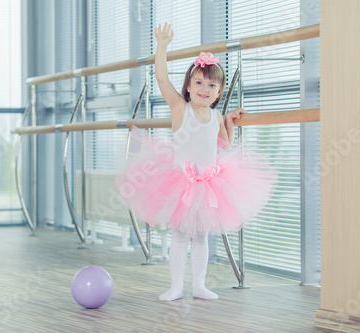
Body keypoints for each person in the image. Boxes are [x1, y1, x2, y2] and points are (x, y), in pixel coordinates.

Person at [116, 23, 276, 301]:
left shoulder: (215, 116)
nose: (204, 88)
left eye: (212, 85)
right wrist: (162, 46)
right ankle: (176, 286)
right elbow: (162, 78)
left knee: (201, 237)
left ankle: (199, 285)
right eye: (199, 82)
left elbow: (225, 144)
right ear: (188, 87)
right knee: (180, 236)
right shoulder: (181, 109)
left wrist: (228, 120)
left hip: (210, 184)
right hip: (181, 182)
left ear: (219, 91)